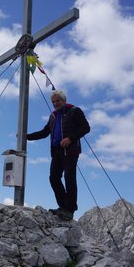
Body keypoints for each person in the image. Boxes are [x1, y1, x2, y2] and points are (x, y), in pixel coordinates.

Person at [26, 90, 90, 220]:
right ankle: (63, 206)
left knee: (69, 178)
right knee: (54, 177)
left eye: (57, 101)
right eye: (53, 102)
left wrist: (70, 138)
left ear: (64, 100)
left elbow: (85, 128)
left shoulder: (74, 111)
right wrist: (26, 137)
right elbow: (44, 132)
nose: (55, 103)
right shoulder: (53, 116)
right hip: (56, 151)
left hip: (70, 150)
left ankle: (70, 209)